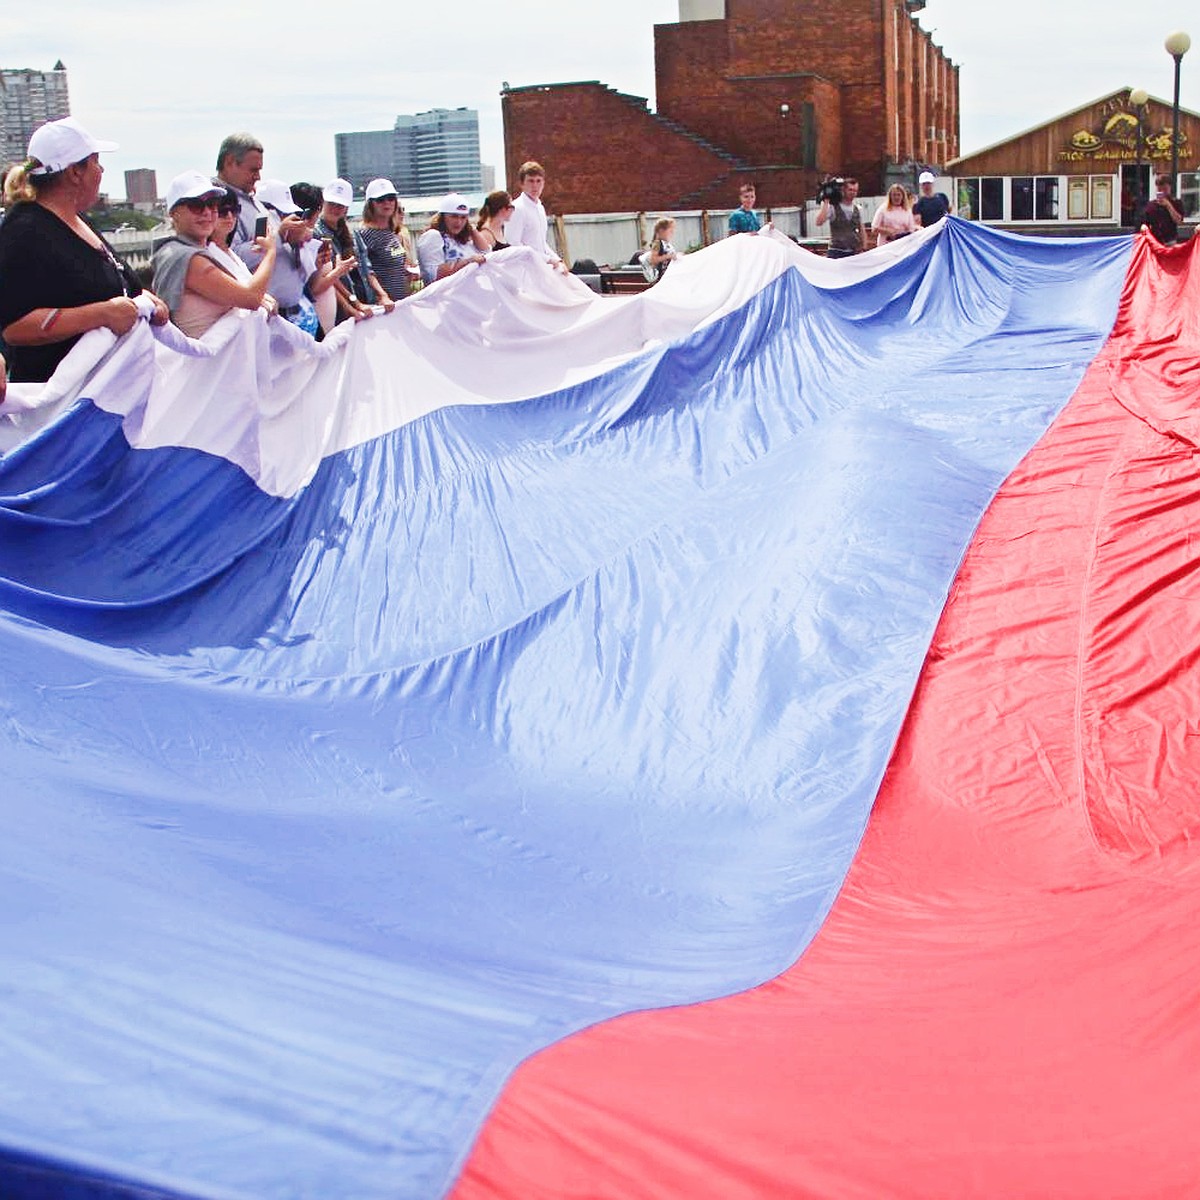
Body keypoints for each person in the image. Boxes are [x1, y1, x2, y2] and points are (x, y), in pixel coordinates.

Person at [0, 116, 168, 383]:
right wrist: (103, 314)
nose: (101, 172)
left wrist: (146, 299)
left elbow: (112, 284)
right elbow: (15, 327)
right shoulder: (24, 230)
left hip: (110, 388)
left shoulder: (78, 221)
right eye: (96, 163)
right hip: (65, 403)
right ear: (75, 172)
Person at [151, 170, 277, 339]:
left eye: (212, 204)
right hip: (206, 363)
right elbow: (252, 298)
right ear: (174, 213)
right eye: (196, 205)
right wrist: (270, 253)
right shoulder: (188, 259)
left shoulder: (188, 252)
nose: (207, 212)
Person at [314, 178, 376, 322]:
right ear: (323, 203)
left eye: (340, 205)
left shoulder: (353, 234)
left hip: (363, 304)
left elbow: (367, 270)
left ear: (346, 208)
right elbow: (328, 280)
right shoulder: (317, 234)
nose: (335, 208)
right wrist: (353, 305)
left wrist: (380, 296)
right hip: (339, 311)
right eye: (332, 203)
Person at [358, 178, 412, 305]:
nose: (387, 203)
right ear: (371, 204)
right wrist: (382, 296)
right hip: (383, 307)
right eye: (380, 200)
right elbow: (366, 271)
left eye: (391, 198)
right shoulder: (364, 234)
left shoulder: (391, 233)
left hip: (400, 303)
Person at [417, 193, 489, 285]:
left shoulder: (463, 241)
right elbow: (433, 275)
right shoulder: (433, 236)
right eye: (454, 216)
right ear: (443, 217)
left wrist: (471, 228)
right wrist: (466, 263)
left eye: (463, 217)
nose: (458, 222)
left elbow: (486, 251)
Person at [504, 161, 564, 269]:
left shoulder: (539, 208)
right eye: (530, 181)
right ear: (522, 184)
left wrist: (557, 260)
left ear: (543, 183)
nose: (535, 186)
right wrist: (547, 259)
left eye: (538, 181)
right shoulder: (517, 208)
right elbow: (514, 244)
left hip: (540, 267)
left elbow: (541, 243)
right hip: (524, 270)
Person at [816, 176, 864, 258]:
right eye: (850, 190)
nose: (853, 193)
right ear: (843, 190)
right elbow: (819, 222)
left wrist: (863, 247)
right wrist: (826, 201)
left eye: (855, 190)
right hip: (836, 251)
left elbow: (861, 229)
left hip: (853, 251)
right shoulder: (833, 207)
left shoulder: (857, 209)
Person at [1143, 174, 1184, 245]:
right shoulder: (1151, 205)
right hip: (1155, 241)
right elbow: (1145, 222)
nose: (1162, 191)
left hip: (1170, 240)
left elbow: (1179, 221)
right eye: (1159, 189)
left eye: (1165, 189)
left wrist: (1168, 205)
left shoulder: (1176, 202)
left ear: (1170, 187)